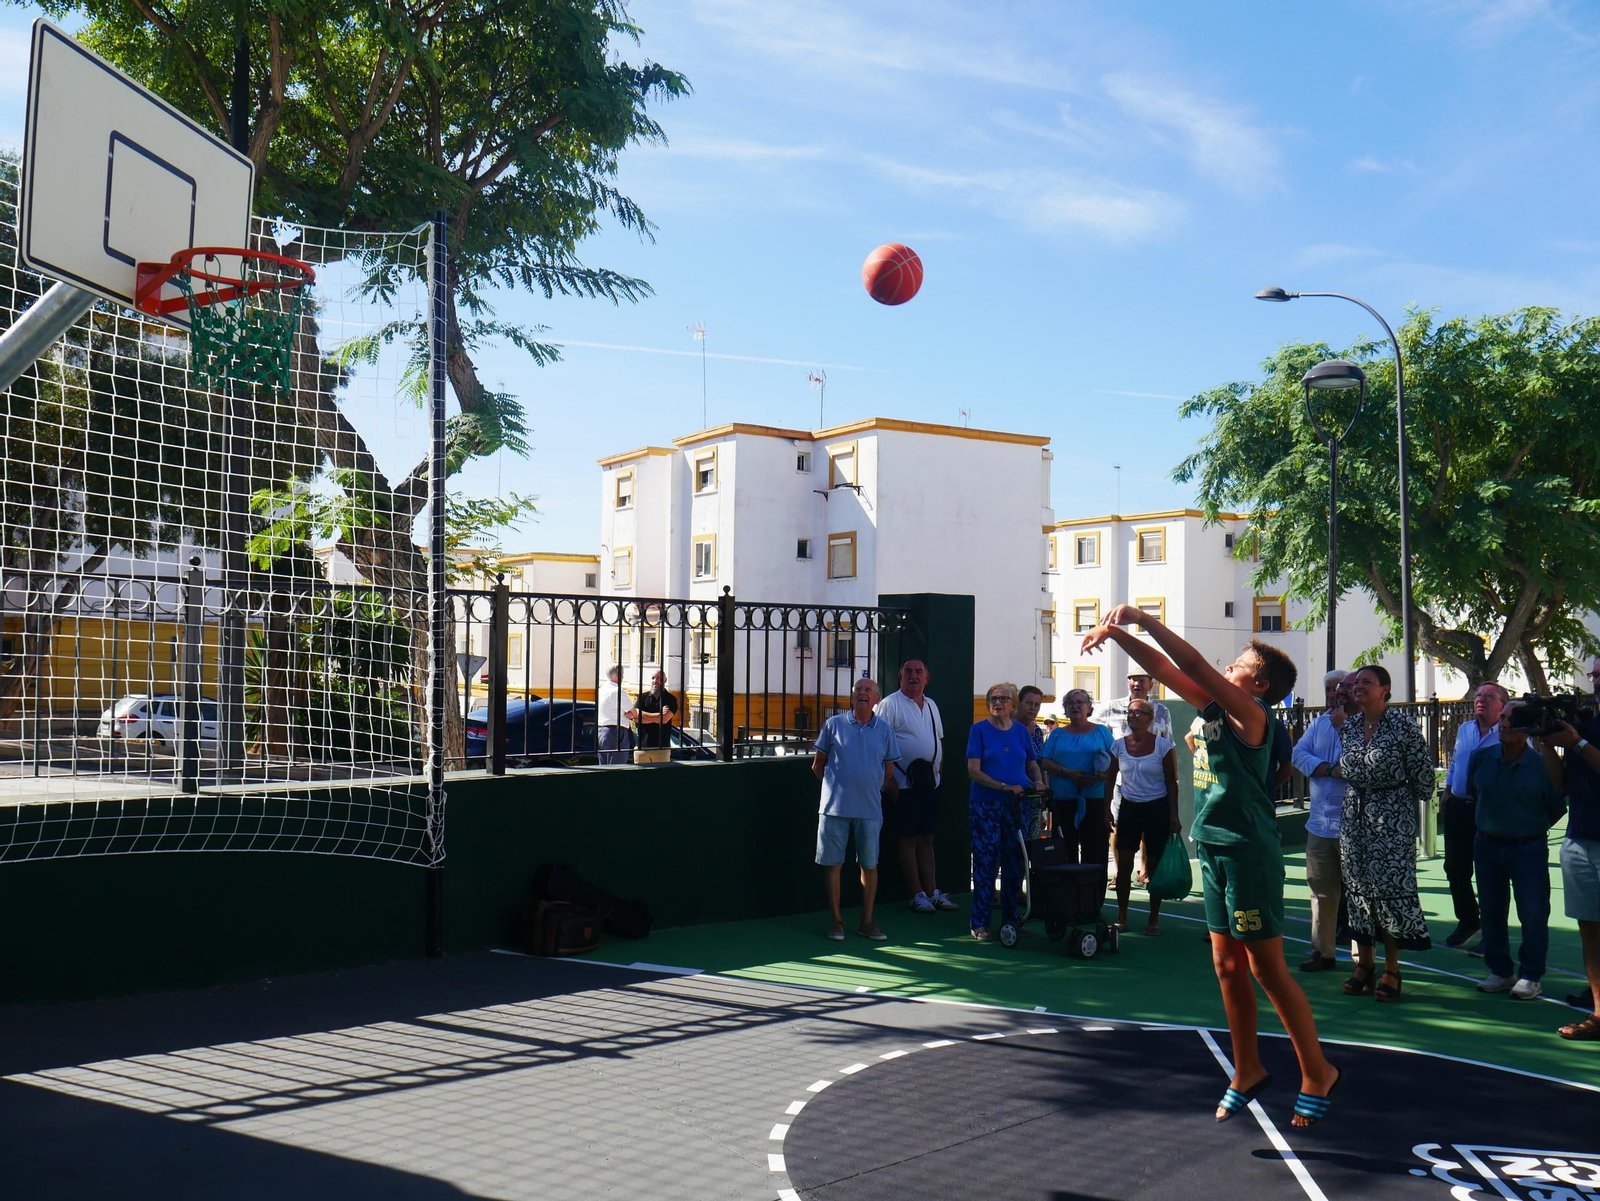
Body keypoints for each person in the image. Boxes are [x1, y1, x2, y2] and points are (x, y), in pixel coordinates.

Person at [1082, 608, 1339, 1130]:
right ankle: (1247, 1069)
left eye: (1237, 665)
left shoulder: (1253, 715)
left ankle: (1318, 1071)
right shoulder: (1215, 709)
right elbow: (1171, 672)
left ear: (1259, 684)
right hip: (1215, 848)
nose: (1226, 669)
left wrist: (1138, 617)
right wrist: (1115, 635)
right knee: (1226, 966)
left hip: (1248, 852)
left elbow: (1193, 664)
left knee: (1267, 969)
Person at [1333, 664, 1435, 1002]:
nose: (1358, 687)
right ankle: (1365, 963)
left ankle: (1392, 968)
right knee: (1359, 893)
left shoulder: (1404, 728)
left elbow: (1424, 781)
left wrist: (1396, 805)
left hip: (1391, 823)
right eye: (1356, 682)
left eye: (1368, 682)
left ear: (1385, 690)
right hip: (1354, 821)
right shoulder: (1347, 728)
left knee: (1389, 894)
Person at [1466, 700, 1567, 1000]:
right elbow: (1475, 793)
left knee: (1533, 913)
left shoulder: (1541, 765)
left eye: (1514, 719)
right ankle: (1500, 970)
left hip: (1528, 848)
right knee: (1492, 912)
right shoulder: (1480, 758)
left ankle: (1531, 975)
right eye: (1504, 717)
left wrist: (1527, 827)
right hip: (1487, 846)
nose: (1506, 724)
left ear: (1528, 727)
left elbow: (1556, 808)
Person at [811, 677, 900, 942]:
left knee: (869, 866)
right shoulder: (833, 725)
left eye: (868, 691)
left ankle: (867, 922)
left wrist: (866, 787)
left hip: (870, 811)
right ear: (852, 697)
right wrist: (837, 788)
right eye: (858, 690)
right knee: (833, 866)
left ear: (876, 699)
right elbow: (818, 766)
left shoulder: (885, 730)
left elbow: (889, 771)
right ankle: (836, 922)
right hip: (833, 810)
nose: (863, 694)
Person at [875, 658, 957, 914]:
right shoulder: (890, 705)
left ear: (927, 678)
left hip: (930, 784)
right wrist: (889, 780)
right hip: (903, 785)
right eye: (908, 672)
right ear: (900, 677)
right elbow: (879, 744)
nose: (913, 676)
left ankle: (933, 892)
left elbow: (938, 740)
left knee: (927, 838)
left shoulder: (931, 705)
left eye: (918, 672)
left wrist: (938, 771)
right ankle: (916, 893)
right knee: (908, 838)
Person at [965, 682, 1043, 941]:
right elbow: (973, 770)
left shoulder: (1021, 731)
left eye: (1003, 699)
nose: (997, 703)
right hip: (986, 805)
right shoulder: (979, 730)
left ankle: (1012, 921)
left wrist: (1038, 780)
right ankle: (980, 923)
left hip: (1017, 805)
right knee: (986, 864)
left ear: (1013, 705)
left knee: (1015, 863)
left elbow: (1031, 763)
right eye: (993, 699)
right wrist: (1003, 786)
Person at [1289, 670, 1356, 971]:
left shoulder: (1362, 725)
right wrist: (1326, 768)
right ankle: (1323, 952)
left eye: (1340, 689)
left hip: (1352, 823)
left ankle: (1361, 958)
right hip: (1319, 824)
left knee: (1358, 893)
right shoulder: (1318, 723)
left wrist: (1343, 730)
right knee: (1320, 891)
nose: (1335, 694)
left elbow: (1357, 765)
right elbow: (1298, 754)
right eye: (1330, 689)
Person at [1548, 655, 1600, 1038]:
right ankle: (1599, 1015)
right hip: (1580, 838)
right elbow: (1560, 785)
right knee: (1590, 931)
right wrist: (1546, 742)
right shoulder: (1590, 723)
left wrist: (1578, 742)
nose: (1596, 679)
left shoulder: (1585, 733)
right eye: (1594, 674)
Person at [1439, 682, 1508, 948]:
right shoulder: (1465, 728)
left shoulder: (1507, 733)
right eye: (1478, 695)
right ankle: (1468, 921)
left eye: (1488, 696)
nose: (1481, 699)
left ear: (1502, 705)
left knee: (1490, 873)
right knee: (1455, 868)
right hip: (1459, 806)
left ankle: (1493, 935)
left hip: (1489, 810)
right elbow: (1456, 760)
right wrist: (1448, 789)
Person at [1102, 699, 1178, 934]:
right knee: (1123, 867)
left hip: (1157, 808)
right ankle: (1122, 916)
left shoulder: (1163, 746)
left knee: (1153, 868)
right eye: (1129, 713)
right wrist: (1106, 810)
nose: (1132, 716)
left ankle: (1154, 918)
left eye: (1138, 713)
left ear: (1149, 718)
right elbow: (1109, 778)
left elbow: (1171, 782)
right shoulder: (1118, 746)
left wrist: (1174, 815)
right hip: (1129, 808)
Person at [1040, 689, 1115, 865]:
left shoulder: (1102, 732)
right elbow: (1045, 762)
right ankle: (1067, 891)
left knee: (1095, 851)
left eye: (1080, 702)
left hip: (1095, 799)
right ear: (1065, 709)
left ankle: (1093, 892)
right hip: (1063, 799)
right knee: (1065, 850)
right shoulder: (1057, 734)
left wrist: (1101, 776)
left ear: (1089, 707)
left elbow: (1116, 760)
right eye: (1070, 703)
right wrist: (1068, 773)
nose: (1075, 706)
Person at [1095, 672, 1173, 742]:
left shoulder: (1161, 711)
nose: (1136, 684)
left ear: (1150, 685)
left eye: (1141, 681)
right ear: (1128, 684)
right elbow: (1095, 732)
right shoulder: (1112, 707)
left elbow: (1169, 743)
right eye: (1134, 680)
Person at [596, 665, 637, 765]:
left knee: (604, 768)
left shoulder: (601, 690)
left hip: (601, 731)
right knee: (617, 768)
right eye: (622, 675)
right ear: (618, 675)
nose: (623, 678)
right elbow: (634, 713)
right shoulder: (617, 691)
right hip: (616, 732)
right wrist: (630, 714)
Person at [633, 669, 680, 752]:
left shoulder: (670, 699)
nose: (655, 681)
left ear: (665, 680)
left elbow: (665, 720)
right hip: (642, 747)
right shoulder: (642, 697)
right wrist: (659, 716)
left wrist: (642, 715)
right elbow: (635, 718)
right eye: (653, 678)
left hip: (662, 748)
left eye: (658, 678)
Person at [1018, 685, 1047, 755]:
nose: (1032, 708)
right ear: (1019, 703)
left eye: (1037, 705)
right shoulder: (1008, 728)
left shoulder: (1037, 731)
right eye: (1028, 703)